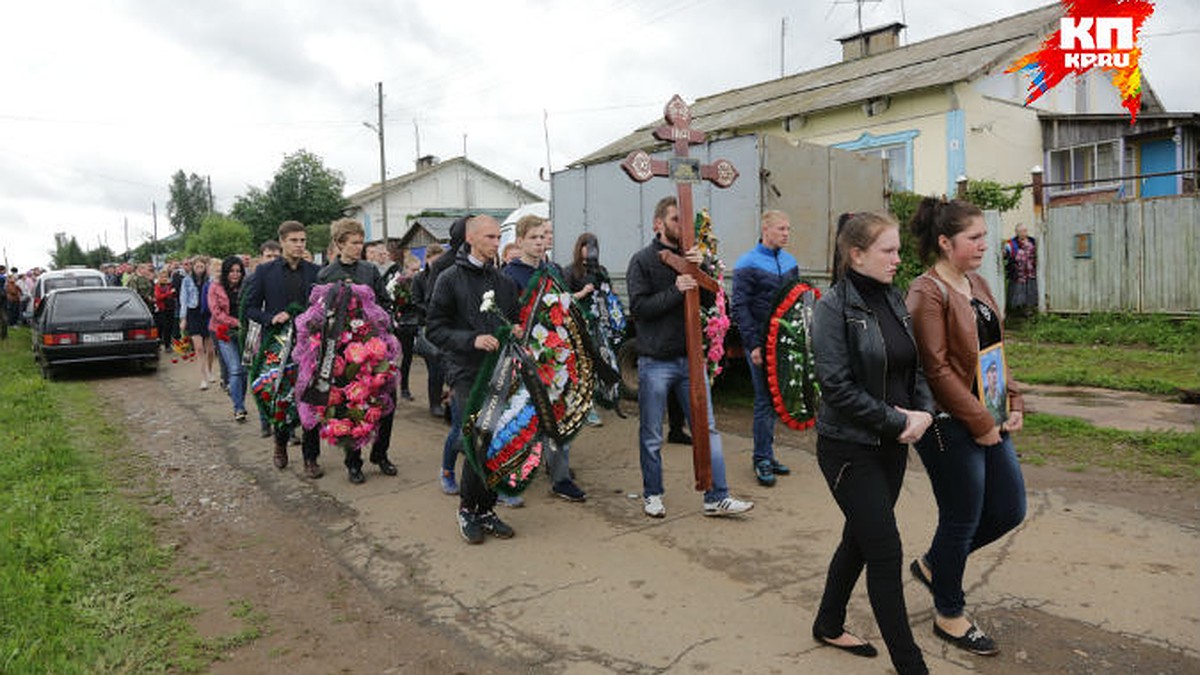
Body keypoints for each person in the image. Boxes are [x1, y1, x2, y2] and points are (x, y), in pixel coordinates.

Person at [810, 212, 933, 675]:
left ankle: (827, 622)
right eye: (889, 251)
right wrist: (897, 419)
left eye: (898, 250)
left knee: (859, 539)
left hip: (892, 445)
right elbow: (837, 388)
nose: (898, 260)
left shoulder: (895, 298)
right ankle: (911, 666)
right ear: (856, 254)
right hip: (849, 448)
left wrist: (923, 413)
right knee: (884, 549)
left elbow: (913, 366)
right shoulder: (833, 307)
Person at [906, 197, 1026, 657]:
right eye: (973, 237)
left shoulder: (976, 282)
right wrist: (978, 422)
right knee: (962, 518)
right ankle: (949, 614)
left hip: (989, 417)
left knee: (1009, 508)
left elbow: (993, 348)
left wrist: (1012, 398)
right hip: (948, 425)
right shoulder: (926, 292)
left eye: (983, 236)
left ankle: (936, 565)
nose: (982, 245)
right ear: (944, 241)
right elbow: (936, 371)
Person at [626, 196, 754, 519]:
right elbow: (639, 309)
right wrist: (676, 289)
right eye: (674, 219)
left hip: (691, 360)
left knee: (707, 429)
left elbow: (713, 299)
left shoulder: (695, 257)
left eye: (685, 221)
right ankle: (653, 494)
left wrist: (701, 269)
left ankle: (717, 496)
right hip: (655, 360)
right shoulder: (641, 261)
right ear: (658, 224)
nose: (682, 227)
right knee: (653, 433)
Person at [427, 214, 521, 544]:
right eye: (490, 237)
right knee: (476, 440)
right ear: (471, 238)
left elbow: (512, 320)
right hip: (466, 373)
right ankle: (468, 510)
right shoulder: (449, 278)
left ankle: (486, 509)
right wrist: (471, 340)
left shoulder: (505, 282)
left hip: (500, 372)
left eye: (498, 237)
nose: (497, 243)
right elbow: (434, 329)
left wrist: (515, 330)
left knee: (496, 442)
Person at [502, 214, 587, 503]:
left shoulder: (553, 270)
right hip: (524, 358)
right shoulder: (509, 276)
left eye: (543, 237)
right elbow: (507, 319)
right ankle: (513, 479)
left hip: (553, 357)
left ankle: (560, 478)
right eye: (533, 238)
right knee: (522, 420)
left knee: (557, 418)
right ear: (520, 241)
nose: (539, 243)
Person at [316, 218, 399, 484]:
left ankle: (380, 453)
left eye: (361, 242)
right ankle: (353, 462)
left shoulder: (370, 270)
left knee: (386, 401)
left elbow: (384, 302)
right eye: (353, 243)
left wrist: (381, 323)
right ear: (339, 244)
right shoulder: (326, 275)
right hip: (345, 354)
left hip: (373, 348)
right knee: (350, 406)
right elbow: (320, 315)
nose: (358, 247)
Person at [244, 221, 325, 480]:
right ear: (282, 242)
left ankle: (311, 458)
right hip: (278, 345)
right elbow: (250, 308)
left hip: (311, 346)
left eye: (303, 240)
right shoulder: (265, 272)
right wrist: (271, 318)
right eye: (294, 240)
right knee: (282, 397)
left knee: (312, 398)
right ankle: (280, 443)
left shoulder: (316, 271)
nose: (300, 245)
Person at [731, 210, 800, 486]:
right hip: (759, 344)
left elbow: (796, 303)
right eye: (781, 229)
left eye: (788, 229)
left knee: (775, 401)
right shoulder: (747, 263)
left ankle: (767, 455)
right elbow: (740, 307)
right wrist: (753, 345)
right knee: (763, 400)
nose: (786, 234)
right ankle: (761, 458)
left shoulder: (790, 261)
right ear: (766, 229)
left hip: (784, 344)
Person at [411, 243, 449, 422]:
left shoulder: (446, 276)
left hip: (445, 326)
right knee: (434, 366)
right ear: (428, 260)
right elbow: (416, 301)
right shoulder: (419, 278)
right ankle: (435, 403)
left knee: (445, 367)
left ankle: (444, 399)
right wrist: (431, 310)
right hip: (427, 326)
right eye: (435, 261)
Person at [208, 256, 248, 422]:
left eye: (238, 271)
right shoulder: (215, 288)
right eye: (232, 271)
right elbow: (216, 312)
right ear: (226, 272)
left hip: (244, 332)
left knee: (244, 371)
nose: (235, 274)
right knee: (235, 369)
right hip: (223, 331)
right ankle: (238, 408)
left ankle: (240, 400)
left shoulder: (246, 286)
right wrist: (235, 322)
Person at [382, 245, 422, 402]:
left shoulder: (419, 282)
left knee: (408, 357)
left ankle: (404, 388)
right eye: (413, 270)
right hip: (398, 323)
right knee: (392, 357)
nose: (416, 273)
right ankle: (389, 389)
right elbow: (390, 301)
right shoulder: (397, 283)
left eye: (418, 270)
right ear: (406, 269)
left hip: (412, 323)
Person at [178, 257, 215, 389]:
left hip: (207, 314)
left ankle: (210, 370)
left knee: (210, 350)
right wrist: (183, 318)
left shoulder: (211, 280)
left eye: (202, 267)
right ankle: (203, 378)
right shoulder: (186, 281)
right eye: (197, 267)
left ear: (205, 267)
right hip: (193, 313)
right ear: (193, 267)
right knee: (199, 349)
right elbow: (183, 299)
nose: (199, 269)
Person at [1002, 224, 1037, 317]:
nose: (1023, 233)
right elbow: (1005, 255)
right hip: (1018, 273)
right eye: (1021, 231)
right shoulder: (1011, 244)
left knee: (1030, 291)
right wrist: (1004, 253)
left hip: (1030, 272)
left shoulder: (1033, 241)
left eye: (1025, 231)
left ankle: (1029, 310)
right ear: (1016, 232)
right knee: (1017, 292)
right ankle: (1017, 310)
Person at [153, 270, 176, 352]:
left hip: (171, 308)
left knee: (170, 327)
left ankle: (168, 344)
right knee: (162, 327)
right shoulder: (157, 286)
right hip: (162, 309)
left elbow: (174, 294)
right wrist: (169, 293)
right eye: (162, 277)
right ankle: (160, 345)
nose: (164, 278)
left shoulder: (170, 285)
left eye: (166, 277)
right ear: (159, 277)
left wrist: (172, 293)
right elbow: (158, 297)